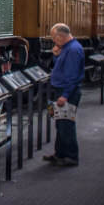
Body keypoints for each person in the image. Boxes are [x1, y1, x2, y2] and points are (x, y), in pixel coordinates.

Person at [43, 23, 84, 166]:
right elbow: (59, 67)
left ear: (61, 35)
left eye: (54, 38)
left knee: (67, 125)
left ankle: (72, 156)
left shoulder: (73, 50)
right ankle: (60, 154)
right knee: (60, 124)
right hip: (61, 91)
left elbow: (72, 76)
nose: (54, 41)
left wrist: (65, 96)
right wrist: (56, 55)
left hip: (67, 93)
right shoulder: (66, 48)